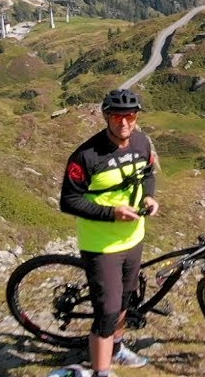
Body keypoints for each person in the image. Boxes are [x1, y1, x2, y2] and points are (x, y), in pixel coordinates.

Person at [54, 87, 159, 377]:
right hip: (101, 246)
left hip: (134, 239)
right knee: (108, 312)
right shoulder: (86, 156)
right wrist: (111, 214)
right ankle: (102, 371)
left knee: (126, 300)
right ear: (106, 116)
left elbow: (148, 174)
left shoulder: (142, 142)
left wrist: (149, 197)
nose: (123, 123)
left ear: (136, 117)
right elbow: (68, 201)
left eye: (130, 116)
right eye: (116, 117)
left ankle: (117, 348)